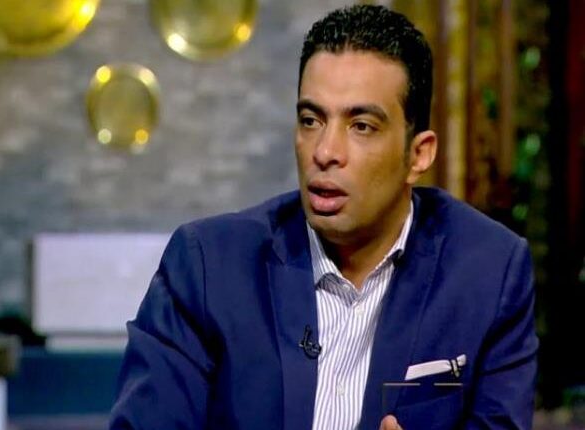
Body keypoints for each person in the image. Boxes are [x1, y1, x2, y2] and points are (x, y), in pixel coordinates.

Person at [109, 4, 538, 429]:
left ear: (418, 154)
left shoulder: (489, 273)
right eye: (311, 120)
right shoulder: (207, 267)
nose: (325, 151)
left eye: (361, 126)